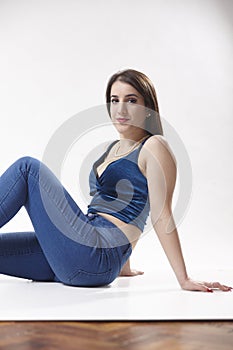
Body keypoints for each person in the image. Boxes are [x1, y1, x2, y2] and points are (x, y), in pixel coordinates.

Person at [0, 69, 231, 292]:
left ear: (148, 108)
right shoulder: (112, 149)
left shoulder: (154, 146)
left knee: (27, 168)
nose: (121, 108)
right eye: (114, 100)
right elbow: (129, 206)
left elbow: (161, 213)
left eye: (131, 100)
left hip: (94, 254)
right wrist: (125, 264)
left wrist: (184, 278)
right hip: (73, 257)